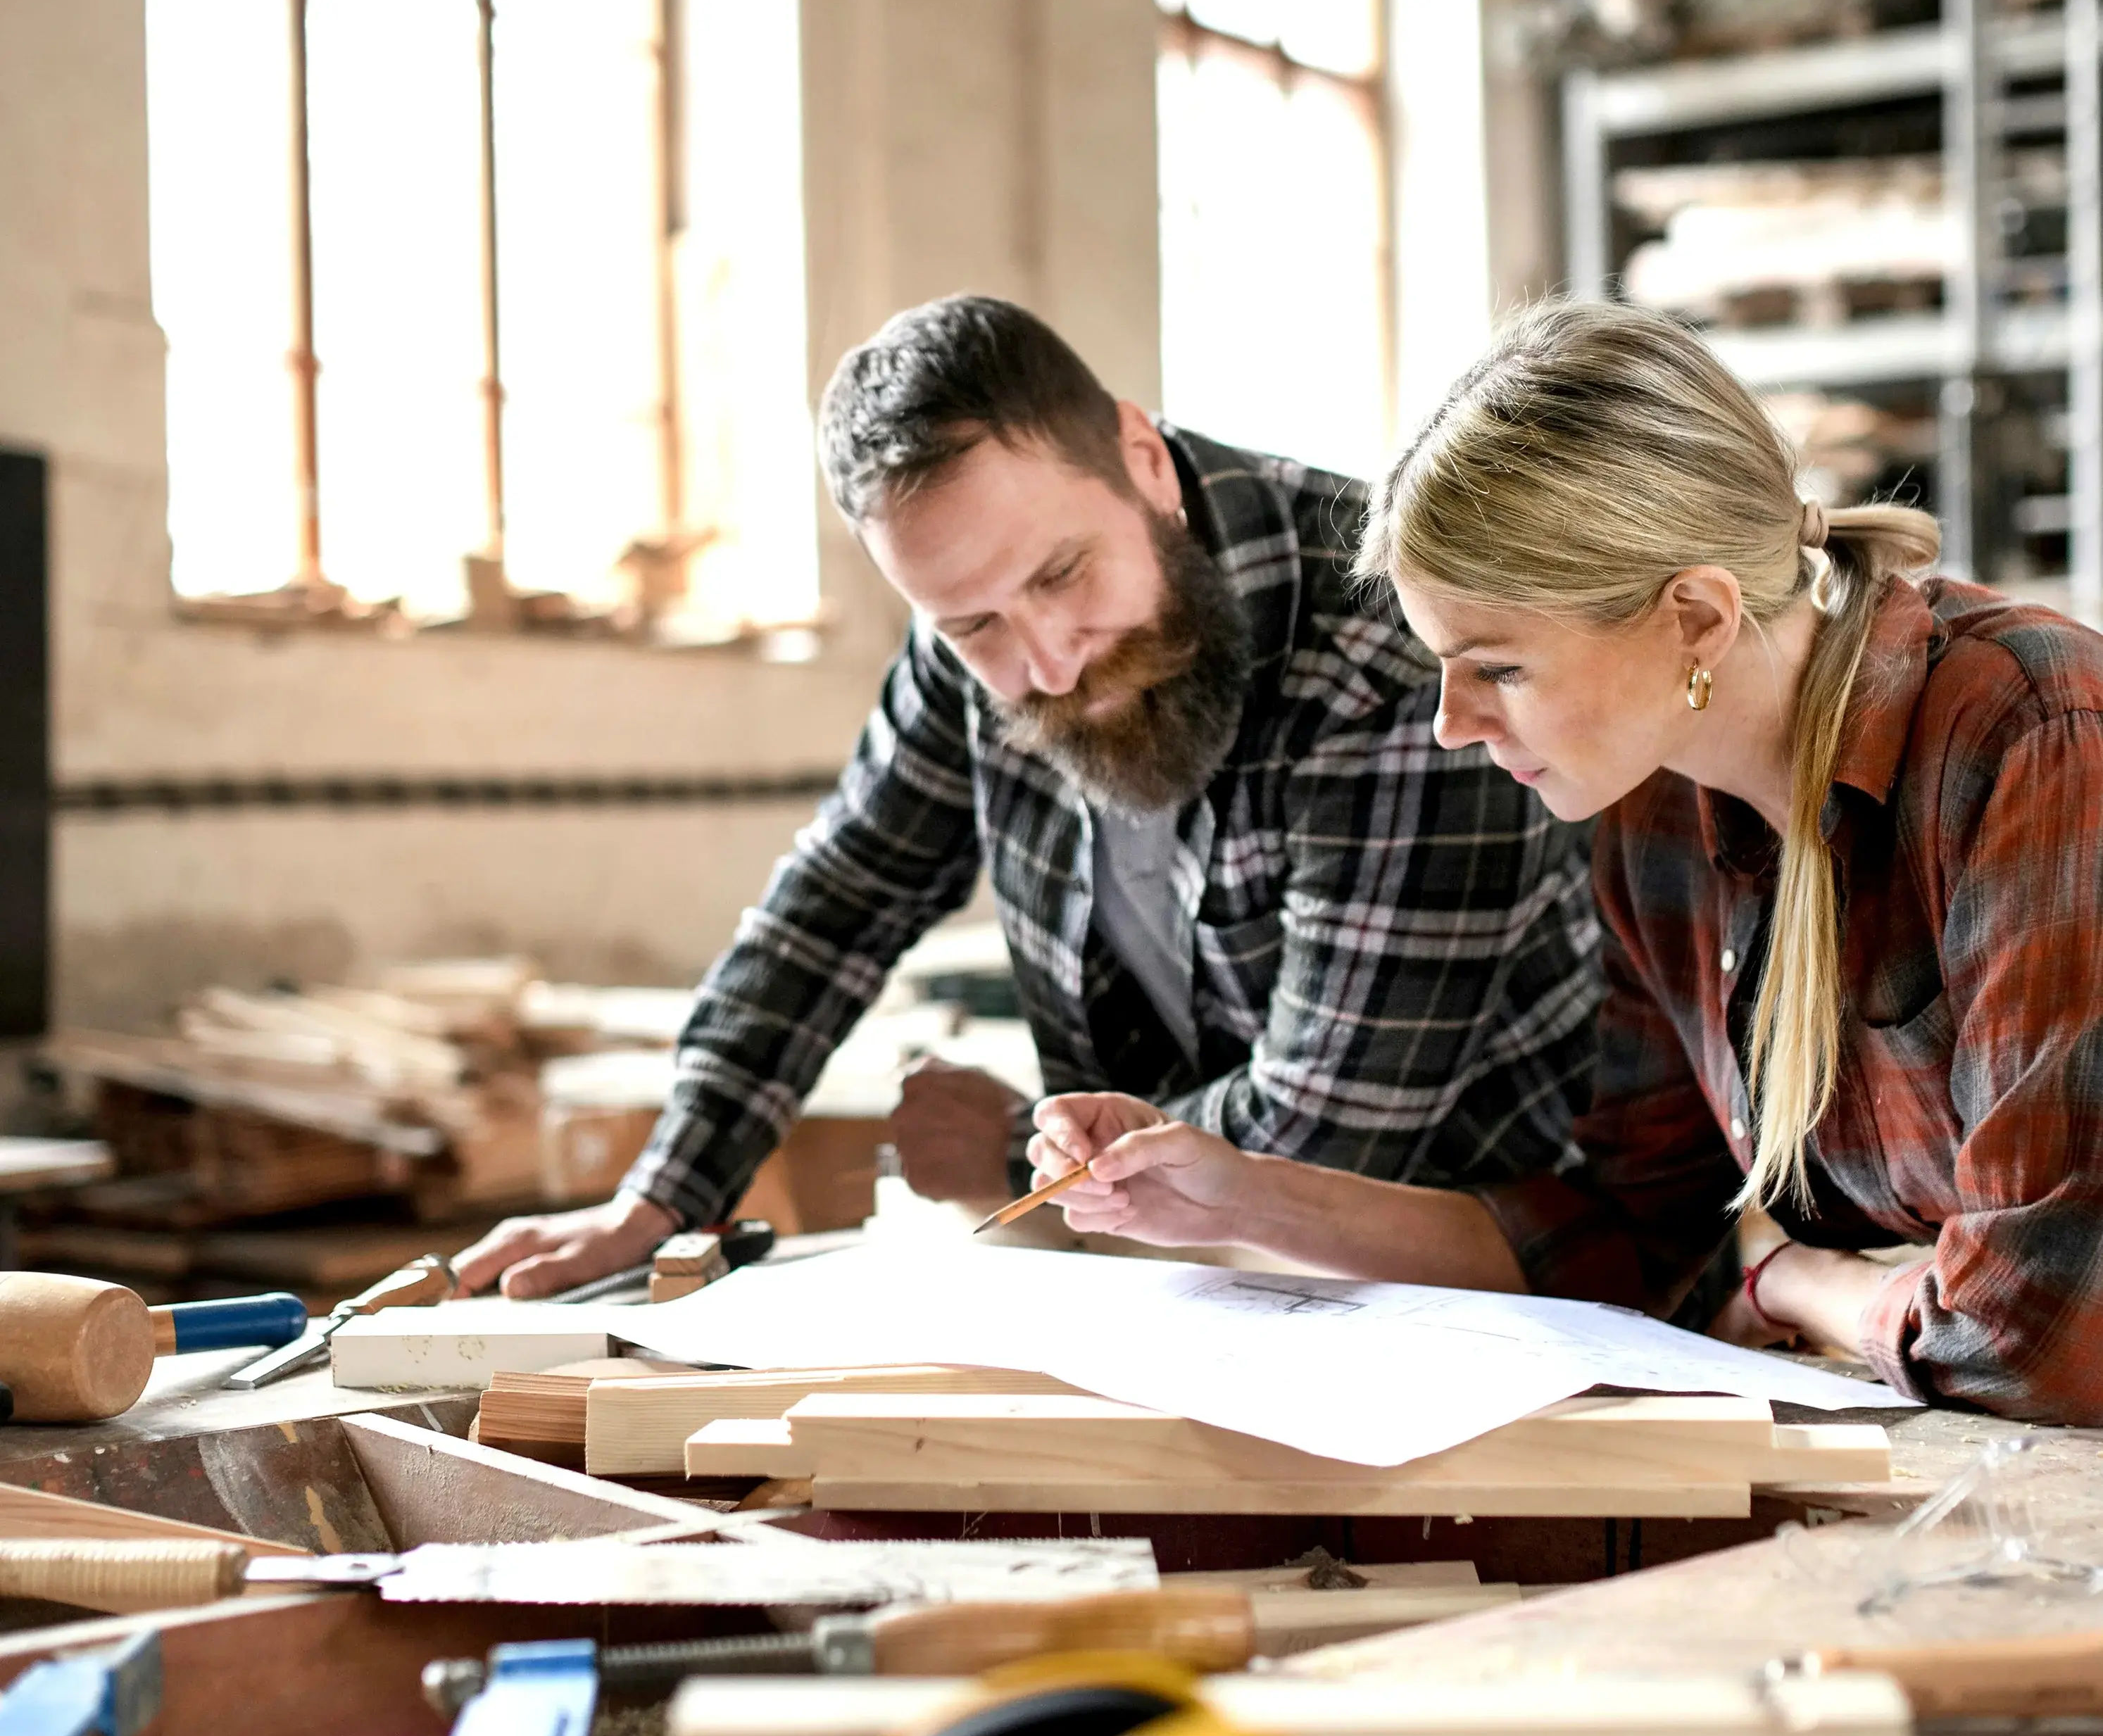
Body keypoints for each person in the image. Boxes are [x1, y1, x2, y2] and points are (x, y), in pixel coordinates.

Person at [1028, 298, 2103, 1423]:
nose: (1450, 722)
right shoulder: (1653, 823)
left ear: (1694, 615)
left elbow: (2042, 1332)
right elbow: (1629, 1242)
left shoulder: (2037, 738)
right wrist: (1233, 1198)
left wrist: (1802, 1281)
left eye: (1495, 667)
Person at [453, 294, 1600, 1297]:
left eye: (1062, 574)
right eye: (975, 624)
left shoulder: (1388, 651)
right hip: (1178, 1271)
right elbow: (834, 906)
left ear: (1143, 461)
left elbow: (1322, 1148)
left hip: (1494, 1286)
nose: (1048, 661)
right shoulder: (971, 647)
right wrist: (663, 1194)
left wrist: (1011, 1157)